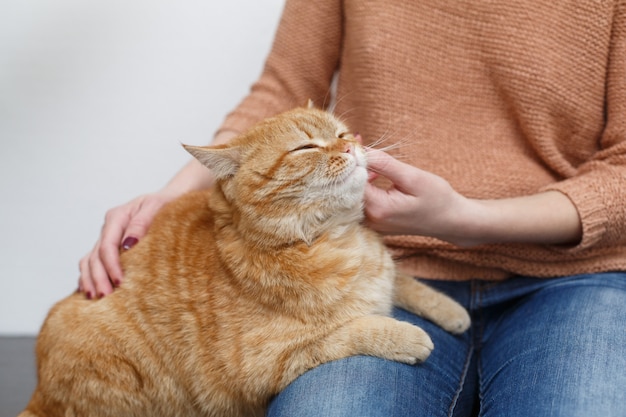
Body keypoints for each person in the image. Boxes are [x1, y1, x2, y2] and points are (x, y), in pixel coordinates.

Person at [78, 1, 626, 416]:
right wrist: (170, 197)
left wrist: (465, 220)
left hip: (573, 276)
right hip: (364, 271)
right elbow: (284, 92)